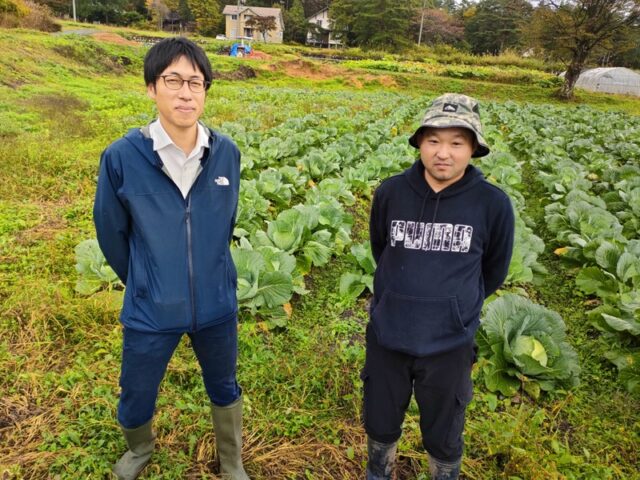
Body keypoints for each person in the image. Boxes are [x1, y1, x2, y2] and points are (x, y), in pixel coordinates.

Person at [93, 37, 249, 480]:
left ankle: (231, 459)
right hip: (150, 305)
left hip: (216, 302)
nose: (186, 93)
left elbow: (226, 220)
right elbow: (110, 230)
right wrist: (145, 279)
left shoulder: (226, 153)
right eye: (174, 80)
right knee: (137, 389)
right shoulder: (123, 156)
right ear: (151, 87)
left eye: (196, 83)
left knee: (224, 384)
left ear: (206, 91)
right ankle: (139, 450)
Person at [363, 93, 515, 480]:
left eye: (456, 143)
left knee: (445, 433)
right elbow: (381, 248)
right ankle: (379, 472)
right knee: (380, 421)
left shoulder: (492, 204)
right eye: (433, 140)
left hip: (450, 342)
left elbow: (492, 270)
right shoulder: (391, 193)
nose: (443, 153)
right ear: (419, 143)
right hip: (388, 336)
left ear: (474, 148)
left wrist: (453, 306)